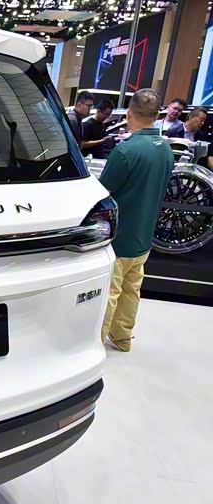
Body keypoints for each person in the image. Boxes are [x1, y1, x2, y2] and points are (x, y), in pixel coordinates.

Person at [98, 89, 174, 352]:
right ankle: (122, 338)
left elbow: (102, 191)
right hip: (144, 236)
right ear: (157, 115)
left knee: (110, 292)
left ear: (129, 114)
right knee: (132, 289)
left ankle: (96, 343)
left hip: (120, 238)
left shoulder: (125, 151)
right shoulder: (166, 149)